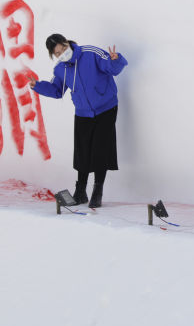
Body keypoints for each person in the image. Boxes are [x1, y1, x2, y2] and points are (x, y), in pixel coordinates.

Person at [29, 33, 128, 209]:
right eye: (57, 53)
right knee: (82, 152)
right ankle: (80, 192)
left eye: (63, 48)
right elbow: (57, 90)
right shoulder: (60, 69)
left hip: (106, 107)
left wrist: (115, 60)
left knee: (100, 149)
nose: (62, 53)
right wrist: (38, 86)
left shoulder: (90, 53)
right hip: (83, 112)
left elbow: (112, 69)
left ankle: (97, 191)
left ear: (67, 42)